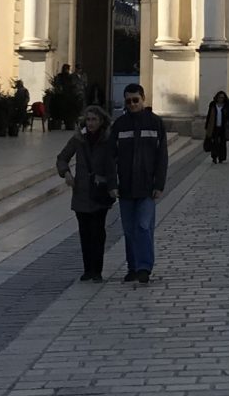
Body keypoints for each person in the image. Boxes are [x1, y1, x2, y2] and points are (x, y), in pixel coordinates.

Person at [112, 84, 168, 284]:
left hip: (146, 185)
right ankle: (133, 266)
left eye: (136, 100)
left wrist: (159, 183)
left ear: (143, 99)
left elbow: (162, 156)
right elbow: (111, 157)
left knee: (143, 226)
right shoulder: (119, 125)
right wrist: (112, 183)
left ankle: (144, 267)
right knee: (129, 229)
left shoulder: (155, 123)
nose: (133, 104)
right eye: (129, 101)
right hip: (126, 186)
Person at [55, 104, 117, 280]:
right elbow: (62, 157)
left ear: (101, 121)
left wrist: (113, 186)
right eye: (88, 119)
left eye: (94, 119)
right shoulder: (78, 139)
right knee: (84, 232)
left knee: (98, 232)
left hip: (99, 191)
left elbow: (112, 165)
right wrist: (66, 172)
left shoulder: (107, 139)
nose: (90, 123)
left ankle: (97, 270)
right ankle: (87, 269)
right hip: (81, 192)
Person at [203, 89, 229, 164]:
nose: (221, 99)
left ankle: (221, 157)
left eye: (222, 97)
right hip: (214, 126)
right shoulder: (213, 105)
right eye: (220, 97)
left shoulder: (226, 106)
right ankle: (214, 156)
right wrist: (207, 126)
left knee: (222, 143)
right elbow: (209, 116)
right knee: (214, 142)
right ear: (217, 97)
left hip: (223, 127)